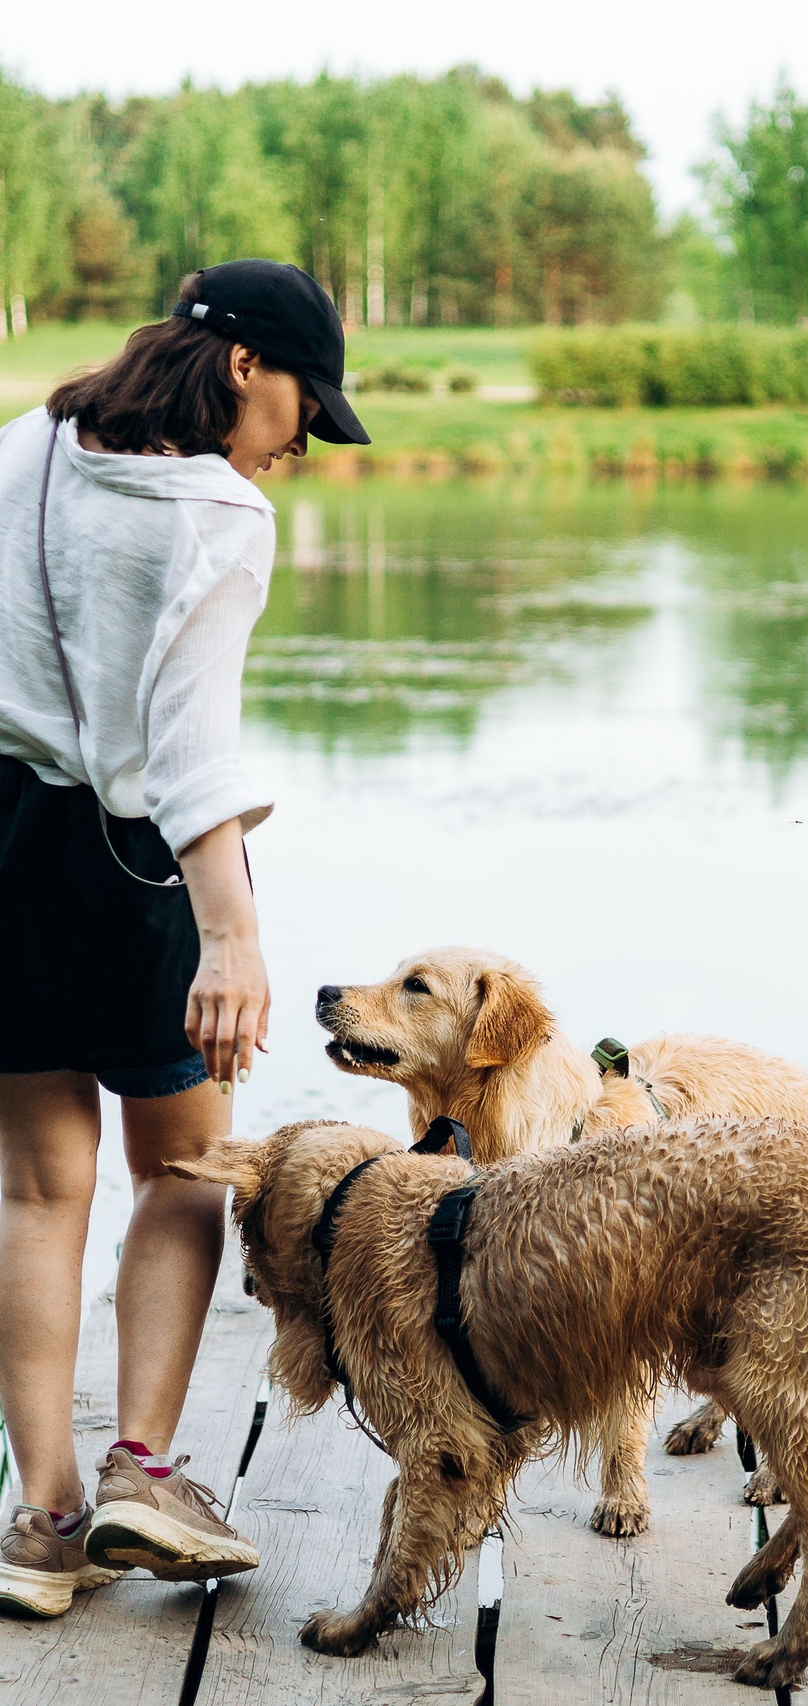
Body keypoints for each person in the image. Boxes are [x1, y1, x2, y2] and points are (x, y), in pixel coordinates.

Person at [0, 261, 370, 1617]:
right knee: (187, 1168)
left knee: (40, 1189)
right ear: (237, 369)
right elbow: (190, 747)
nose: (298, 440)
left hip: (5, 844)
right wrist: (235, 939)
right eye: (298, 406)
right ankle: (142, 1474)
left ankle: (37, 1521)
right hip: (142, 864)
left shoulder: (26, 447)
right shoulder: (215, 512)